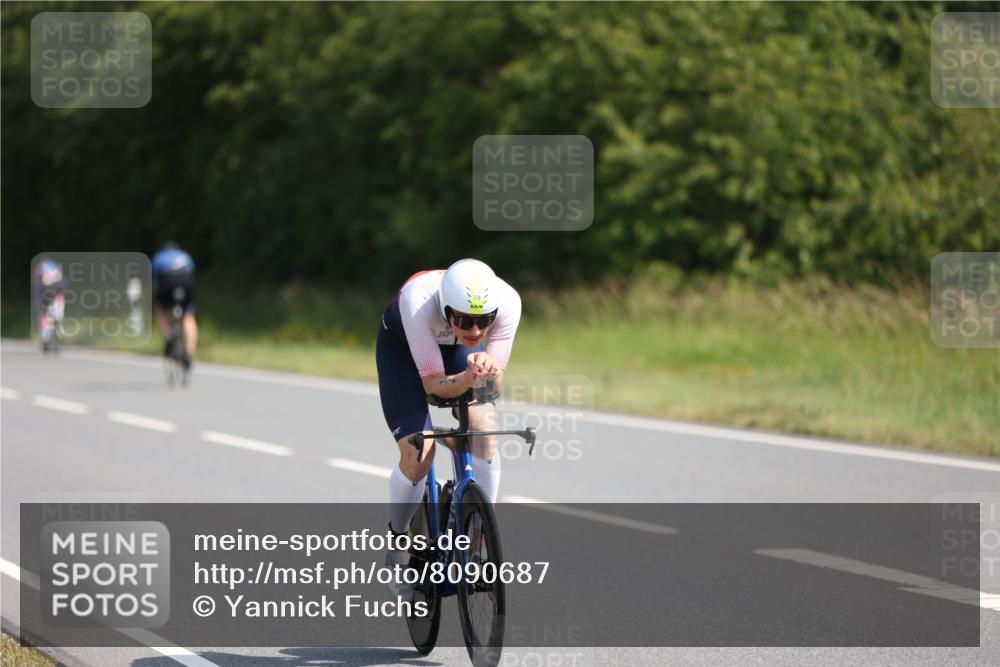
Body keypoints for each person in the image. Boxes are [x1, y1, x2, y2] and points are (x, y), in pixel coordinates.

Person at [376, 258, 521, 598]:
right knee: (419, 451)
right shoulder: (418, 299)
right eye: (465, 321)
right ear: (445, 309)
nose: (475, 332)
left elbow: (492, 385)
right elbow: (433, 386)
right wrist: (470, 376)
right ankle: (399, 542)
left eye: (484, 322)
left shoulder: (509, 302)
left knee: (484, 427)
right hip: (403, 355)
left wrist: (485, 371)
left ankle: (480, 538)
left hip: (456, 357)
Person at [151, 242, 197, 369]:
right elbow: (192, 272)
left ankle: (169, 335)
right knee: (188, 316)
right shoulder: (185, 255)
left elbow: (154, 280)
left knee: (160, 310)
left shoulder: (159, 257)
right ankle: (189, 353)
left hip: (167, 282)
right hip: (187, 281)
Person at [34, 258, 66, 350]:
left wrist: (56, 279)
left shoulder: (58, 280)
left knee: (58, 319)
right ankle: (46, 340)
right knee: (45, 322)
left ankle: (57, 336)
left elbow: (64, 286)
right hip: (45, 304)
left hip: (56, 304)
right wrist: (41, 306)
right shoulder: (41, 283)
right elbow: (39, 295)